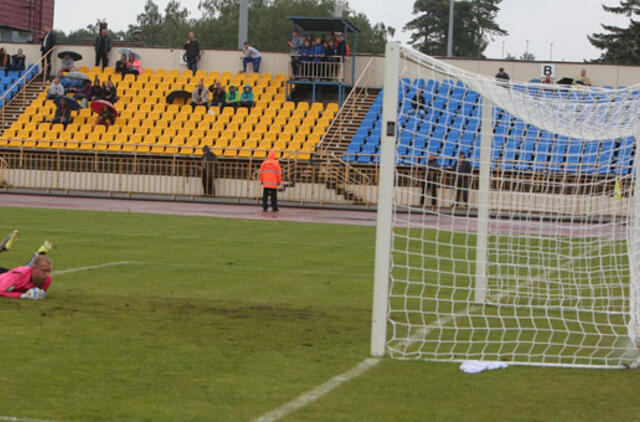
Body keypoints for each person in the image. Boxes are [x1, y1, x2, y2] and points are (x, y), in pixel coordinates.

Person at [0, 231, 54, 301]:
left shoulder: (47, 279)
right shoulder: (19, 275)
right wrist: (22, 295)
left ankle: (3, 247)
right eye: (44, 271)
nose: (47, 275)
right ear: (34, 268)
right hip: (9, 276)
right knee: (22, 274)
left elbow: (39, 293)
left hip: (9, 275)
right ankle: (2, 247)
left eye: (48, 271)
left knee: (23, 274)